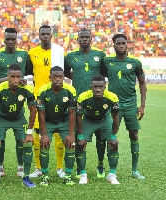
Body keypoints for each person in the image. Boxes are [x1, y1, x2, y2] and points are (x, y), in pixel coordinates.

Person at [102, 33, 147, 180]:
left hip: (130, 105)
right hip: (113, 106)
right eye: (118, 43)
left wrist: (142, 106)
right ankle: (112, 171)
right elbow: (99, 79)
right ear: (113, 45)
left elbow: (142, 83)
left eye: (123, 43)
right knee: (112, 136)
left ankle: (135, 171)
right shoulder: (107, 61)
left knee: (134, 135)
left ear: (127, 44)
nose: (121, 45)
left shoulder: (135, 63)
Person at [64, 28, 107, 179]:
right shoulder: (70, 57)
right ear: (77, 39)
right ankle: (79, 167)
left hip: (97, 101)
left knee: (101, 136)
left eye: (87, 37)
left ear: (91, 39)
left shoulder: (99, 55)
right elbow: (65, 72)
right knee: (78, 136)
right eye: (81, 37)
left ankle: (100, 164)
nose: (84, 39)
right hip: (78, 101)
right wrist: (77, 78)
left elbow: (104, 73)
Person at [26, 25, 66, 178]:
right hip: (39, 98)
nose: (45, 36)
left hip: (57, 97)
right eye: (42, 34)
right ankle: (38, 168)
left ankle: (60, 167)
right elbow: (28, 71)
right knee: (38, 132)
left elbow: (66, 71)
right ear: (39, 35)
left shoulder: (59, 52)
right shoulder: (32, 53)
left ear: (51, 35)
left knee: (57, 132)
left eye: (47, 34)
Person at [0, 27, 31, 178]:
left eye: (13, 39)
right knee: (0, 140)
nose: (10, 41)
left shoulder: (23, 55)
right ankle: (0, 166)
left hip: (17, 101)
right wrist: (2, 81)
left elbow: (28, 71)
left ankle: (21, 166)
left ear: (16, 39)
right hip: (1, 100)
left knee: (21, 140)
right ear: (4, 39)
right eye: (8, 39)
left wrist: (21, 80)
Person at [0, 64, 36, 188]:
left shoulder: (27, 89)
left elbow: (33, 110)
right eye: (12, 76)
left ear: (21, 77)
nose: (15, 80)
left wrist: (29, 132)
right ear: (7, 77)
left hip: (19, 118)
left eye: (18, 77)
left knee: (27, 143)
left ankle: (26, 176)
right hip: (1, 118)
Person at [76, 75, 120, 185]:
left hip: (104, 120)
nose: (98, 89)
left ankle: (111, 174)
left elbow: (115, 117)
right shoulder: (83, 97)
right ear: (91, 86)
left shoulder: (112, 97)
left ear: (105, 87)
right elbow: (78, 117)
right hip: (88, 120)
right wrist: (80, 136)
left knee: (113, 144)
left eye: (101, 87)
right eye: (95, 87)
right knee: (80, 144)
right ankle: (82, 174)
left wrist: (113, 136)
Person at [37, 66, 77, 186]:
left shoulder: (71, 90)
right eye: (54, 77)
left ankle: (68, 176)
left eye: (60, 77)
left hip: (64, 121)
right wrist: (43, 134)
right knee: (43, 145)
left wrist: (71, 134)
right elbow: (41, 114)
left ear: (63, 77)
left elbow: (72, 113)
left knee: (71, 145)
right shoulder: (42, 91)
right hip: (48, 121)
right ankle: (45, 176)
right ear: (50, 78)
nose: (57, 79)